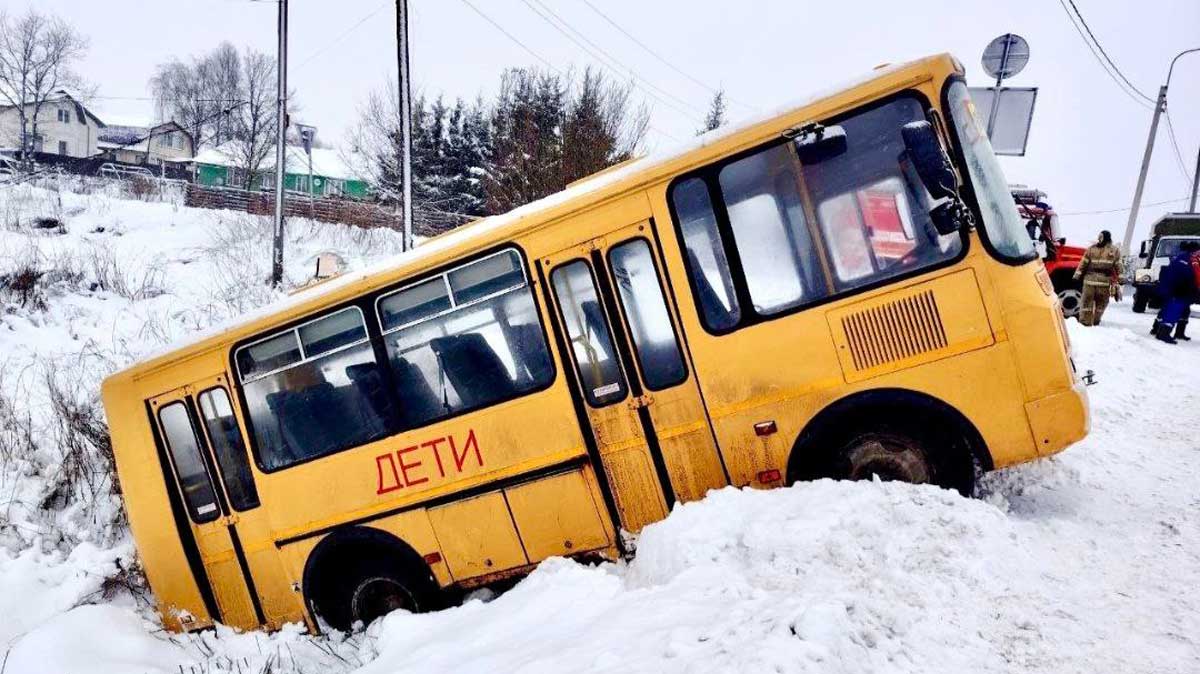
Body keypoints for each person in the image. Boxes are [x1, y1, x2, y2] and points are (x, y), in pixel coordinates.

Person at [1151, 240, 1200, 344]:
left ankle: (1169, 332)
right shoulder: (1185, 260)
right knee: (1172, 311)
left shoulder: (1182, 258)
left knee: (1181, 311)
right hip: (1178, 291)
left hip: (1177, 290)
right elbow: (1187, 275)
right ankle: (1163, 333)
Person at [1073, 230, 1124, 326]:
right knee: (1087, 303)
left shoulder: (1114, 250)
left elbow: (1118, 265)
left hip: (1102, 282)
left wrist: (1121, 279)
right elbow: (1083, 263)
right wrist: (1077, 276)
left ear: (1106, 237)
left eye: (1101, 237)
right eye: (1099, 237)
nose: (1099, 239)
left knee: (1100, 304)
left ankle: (1095, 322)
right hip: (1091, 282)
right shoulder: (1092, 249)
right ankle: (1085, 323)